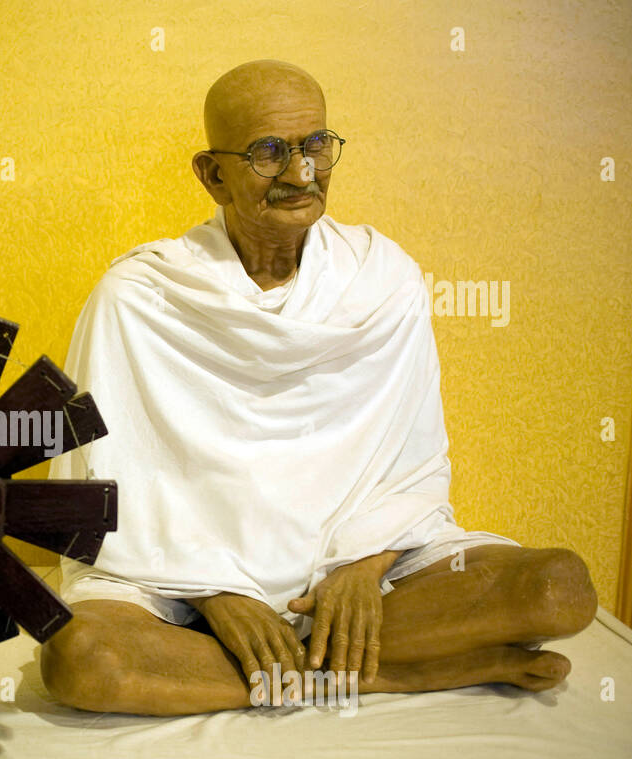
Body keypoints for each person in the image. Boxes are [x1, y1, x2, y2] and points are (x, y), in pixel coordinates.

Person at [41, 60, 597, 715]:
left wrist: (362, 565)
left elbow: (409, 464)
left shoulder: (382, 278)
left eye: (315, 146)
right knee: (80, 657)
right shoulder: (139, 297)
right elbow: (107, 495)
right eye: (269, 151)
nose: (301, 172)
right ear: (212, 173)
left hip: (364, 573)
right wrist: (212, 591)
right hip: (181, 584)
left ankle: (273, 669)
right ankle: (383, 675)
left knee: (559, 591)